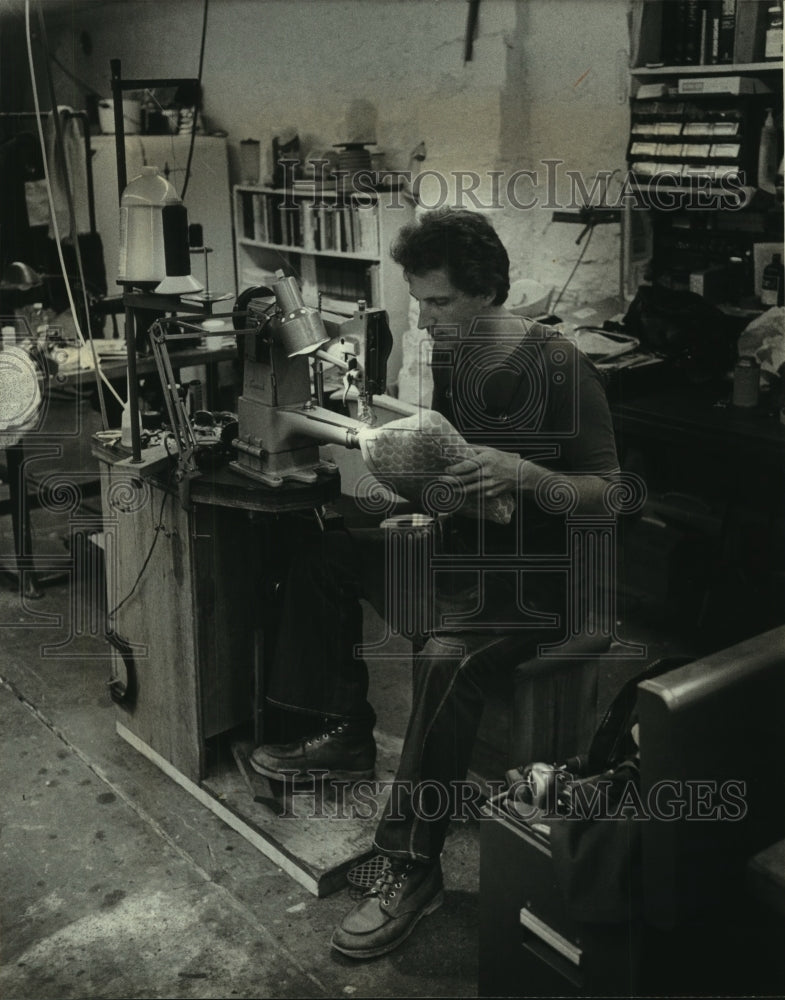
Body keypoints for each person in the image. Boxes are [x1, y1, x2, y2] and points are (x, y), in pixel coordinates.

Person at [250, 208, 620, 958]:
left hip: (543, 586)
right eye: (418, 301)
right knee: (323, 554)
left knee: (444, 656)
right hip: (464, 556)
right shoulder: (457, 356)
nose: (424, 318)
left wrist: (530, 474)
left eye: (439, 303)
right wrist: (423, 500)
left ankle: (412, 866)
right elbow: (459, 470)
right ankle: (345, 731)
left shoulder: (557, 365)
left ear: (486, 292)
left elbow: (609, 492)